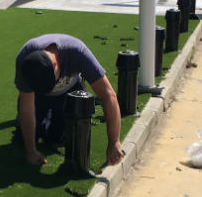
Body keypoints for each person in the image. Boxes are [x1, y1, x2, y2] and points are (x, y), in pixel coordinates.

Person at [14, 34, 124, 167]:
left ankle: (49, 119)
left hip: (69, 92)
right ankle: (41, 119)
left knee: (59, 137)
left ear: (55, 65)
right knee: (23, 138)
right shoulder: (25, 59)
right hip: (37, 97)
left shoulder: (77, 52)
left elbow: (108, 95)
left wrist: (114, 141)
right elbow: (27, 107)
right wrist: (31, 151)